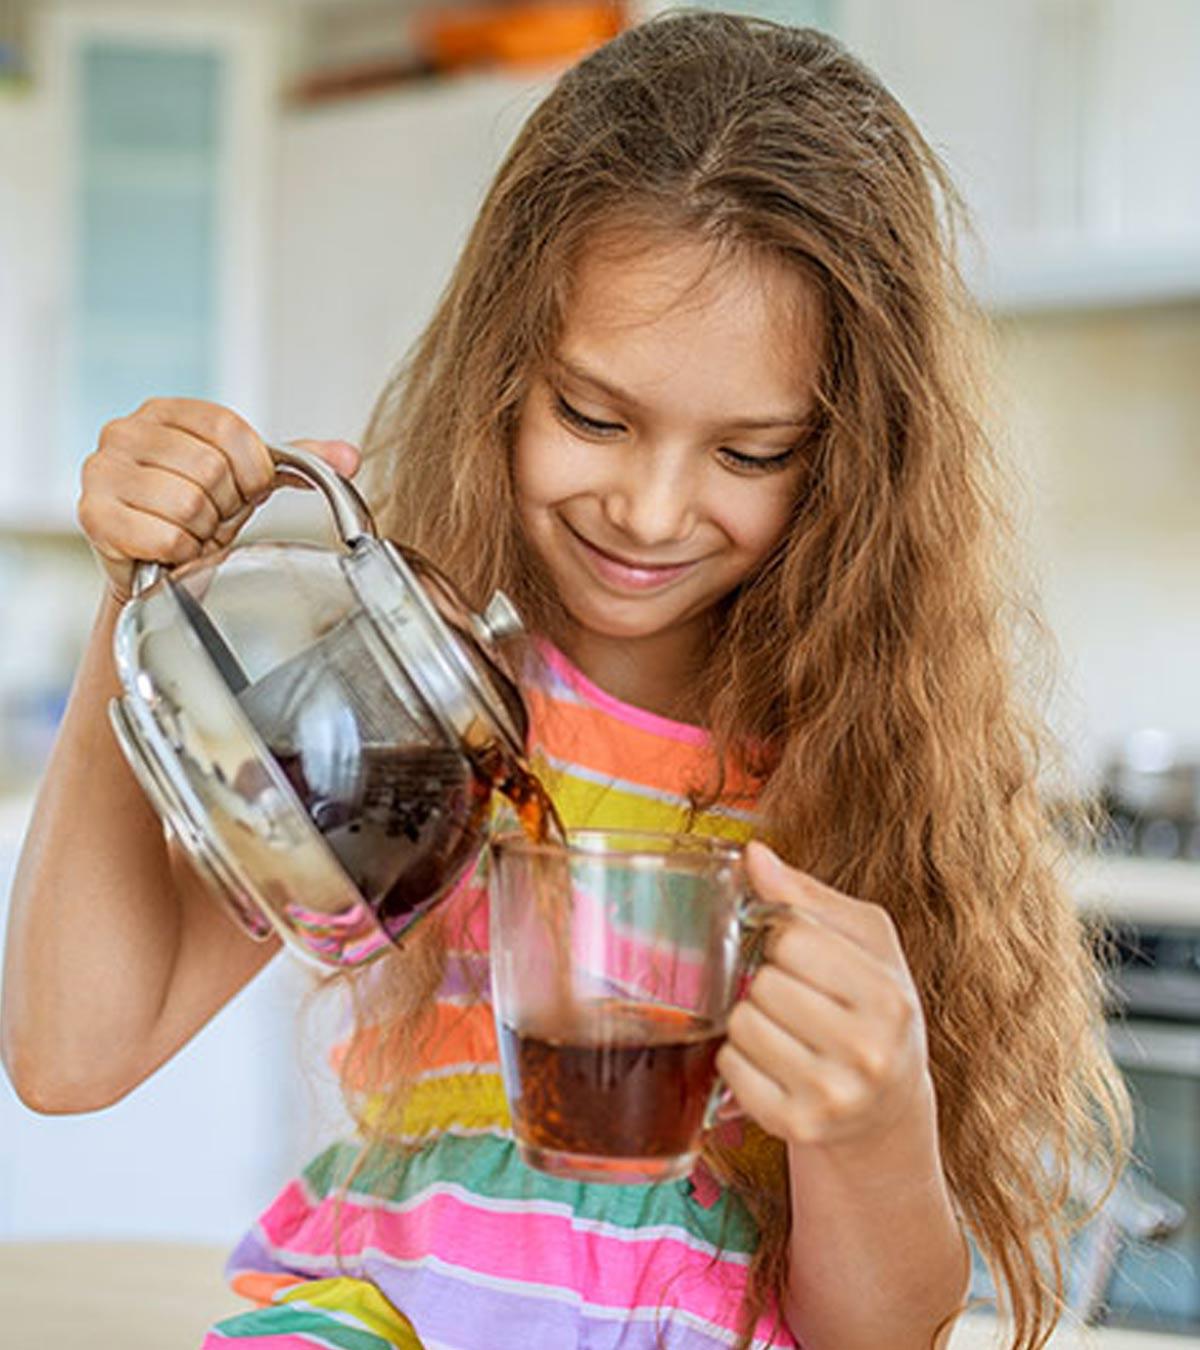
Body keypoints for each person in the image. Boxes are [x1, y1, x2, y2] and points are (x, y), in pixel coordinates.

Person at [1, 12, 1129, 1349]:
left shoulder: (864, 766)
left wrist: (874, 1119)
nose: (652, 509)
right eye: (596, 416)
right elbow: (73, 1054)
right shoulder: (414, 704)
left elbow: (877, 1334)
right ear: (504, 370)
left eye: (751, 452)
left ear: (848, 458)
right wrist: (141, 589)